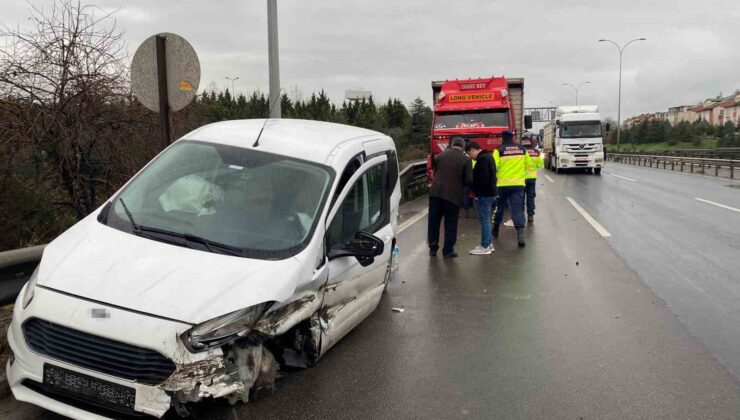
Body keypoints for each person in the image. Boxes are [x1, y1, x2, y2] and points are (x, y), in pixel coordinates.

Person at [428, 137, 473, 258]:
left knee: (434, 222)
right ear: (463, 147)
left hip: (435, 194)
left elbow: (436, 172)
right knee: (450, 223)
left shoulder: (440, 156)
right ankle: (448, 251)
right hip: (452, 195)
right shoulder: (466, 159)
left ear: (452, 145)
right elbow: (469, 179)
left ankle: (433, 248)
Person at [492, 130, 534, 247]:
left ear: (502, 138)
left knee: (499, 208)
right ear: (512, 138)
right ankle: (520, 235)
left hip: (502, 185)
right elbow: (529, 165)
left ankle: (495, 229)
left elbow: (494, 166)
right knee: (517, 209)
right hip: (518, 184)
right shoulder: (522, 149)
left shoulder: (498, 150)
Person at [465, 141, 497, 255]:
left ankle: (484, 246)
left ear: (473, 150)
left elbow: (482, 179)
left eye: (469, 153)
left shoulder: (481, 160)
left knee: (484, 220)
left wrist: (477, 193)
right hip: (492, 193)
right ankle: (489, 243)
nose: (470, 156)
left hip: (485, 194)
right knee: (487, 220)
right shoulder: (489, 156)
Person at [521, 133, 543, 223]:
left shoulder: (520, 151)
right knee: (530, 197)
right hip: (532, 179)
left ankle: (521, 216)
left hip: (521, 179)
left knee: (521, 198)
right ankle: (530, 216)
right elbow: (540, 165)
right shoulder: (536, 152)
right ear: (530, 141)